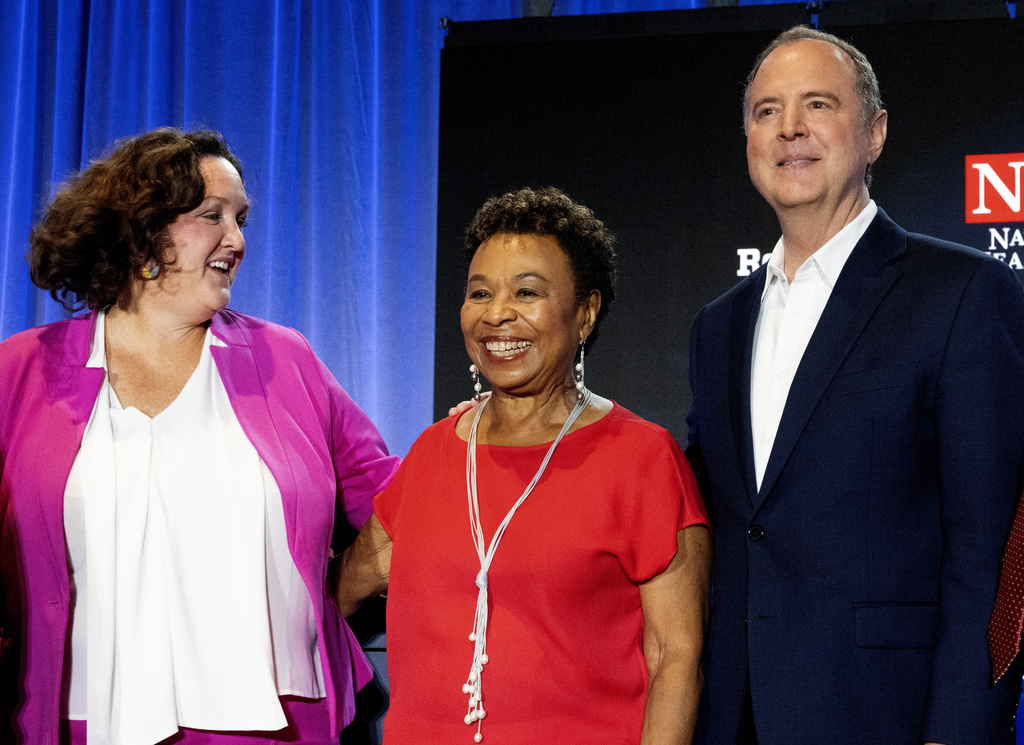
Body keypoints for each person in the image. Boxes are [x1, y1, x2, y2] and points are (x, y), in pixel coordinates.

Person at [0, 127, 399, 745]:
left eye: (241, 219)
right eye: (211, 215)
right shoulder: (20, 372)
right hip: (76, 721)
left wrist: (345, 586)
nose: (236, 240)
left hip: (279, 723)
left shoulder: (284, 360)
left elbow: (402, 501)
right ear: (138, 228)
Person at [685, 25, 1024, 745]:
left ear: (874, 134)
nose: (790, 130)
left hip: (889, 716)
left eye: (817, 104)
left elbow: (987, 550)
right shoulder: (717, 327)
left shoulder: (964, 294)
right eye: (766, 111)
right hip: (735, 716)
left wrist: (960, 731)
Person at [337, 187, 711, 744]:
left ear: (585, 312)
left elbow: (674, 659)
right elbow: (338, 591)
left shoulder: (642, 459)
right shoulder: (434, 454)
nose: (496, 314)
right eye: (479, 292)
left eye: (526, 292)